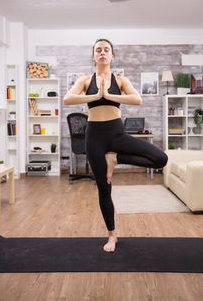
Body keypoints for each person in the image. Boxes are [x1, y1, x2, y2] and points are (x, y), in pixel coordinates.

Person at [63, 39, 168, 252]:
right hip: (94, 136)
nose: (102, 52)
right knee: (104, 187)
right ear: (93, 56)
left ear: (113, 56)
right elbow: (67, 99)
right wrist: (96, 95)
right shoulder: (85, 80)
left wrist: (108, 95)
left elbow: (137, 100)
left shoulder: (120, 80)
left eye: (106, 50)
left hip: (116, 133)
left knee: (161, 159)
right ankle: (112, 235)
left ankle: (115, 158)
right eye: (98, 50)